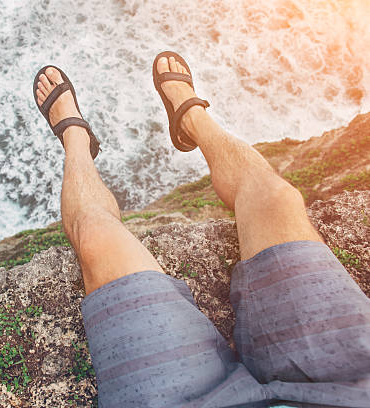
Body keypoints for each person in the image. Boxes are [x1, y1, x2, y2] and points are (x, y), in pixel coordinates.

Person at [33, 52, 370, 407]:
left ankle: (76, 138)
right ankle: (191, 117)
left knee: (94, 235)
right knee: (278, 197)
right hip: (350, 383)